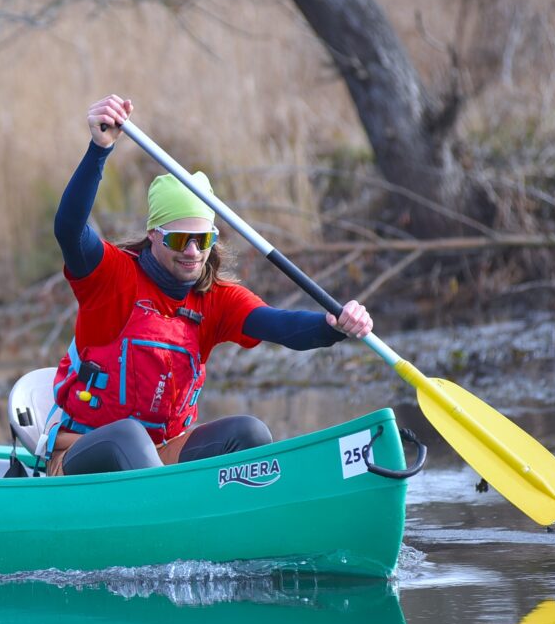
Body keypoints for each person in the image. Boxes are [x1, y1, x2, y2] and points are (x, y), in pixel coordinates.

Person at [46, 95, 373, 476]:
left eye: (202, 240)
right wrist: (99, 149)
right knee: (130, 439)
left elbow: (281, 325)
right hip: (81, 456)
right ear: (154, 235)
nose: (191, 252)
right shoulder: (110, 278)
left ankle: (234, 512)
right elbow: (69, 229)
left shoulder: (215, 300)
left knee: (249, 433)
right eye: (177, 240)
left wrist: (333, 326)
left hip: (162, 458)